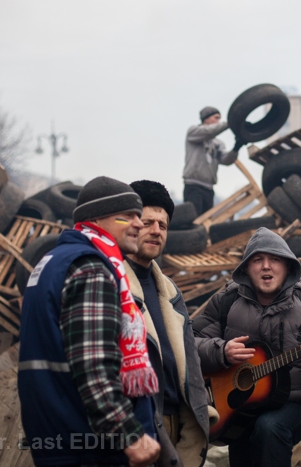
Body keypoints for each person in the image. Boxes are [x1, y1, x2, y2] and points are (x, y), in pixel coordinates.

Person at [18, 176, 161, 467]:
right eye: (127, 216)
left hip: (58, 436)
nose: (138, 223)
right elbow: (93, 363)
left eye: (138, 214)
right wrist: (129, 434)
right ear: (96, 218)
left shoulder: (54, 261)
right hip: (89, 446)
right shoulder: (91, 268)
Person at [193, 227, 301, 467]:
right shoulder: (226, 301)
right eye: (257, 260)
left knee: (269, 428)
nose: (266, 266)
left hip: (298, 401)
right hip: (241, 403)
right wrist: (221, 351)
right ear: (247, 268)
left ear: (288, 266)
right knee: (243, 438)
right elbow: (189, 343)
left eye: (274, 259)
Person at [124, 180, 215, 466]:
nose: (156, 231)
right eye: (148, 222)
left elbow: (190, 365)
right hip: (139, 426)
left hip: (180, 425)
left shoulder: (170, 291)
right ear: (129, 224)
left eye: (163, 225)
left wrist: (200, 418)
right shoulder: (112, 285)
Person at [183, 107, 241, 215]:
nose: (218, 121)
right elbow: (209, 131)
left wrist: (237, 147)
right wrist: (230, 123)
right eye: (216, 118)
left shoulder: (218, 143)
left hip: (208, 188)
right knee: (194, 220)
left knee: (206, 223)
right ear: (206, 118)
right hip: (193, 185)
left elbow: (226, 160)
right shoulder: (193, 132)